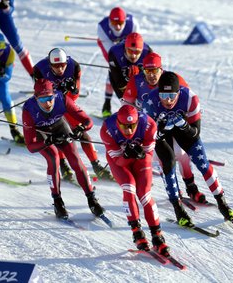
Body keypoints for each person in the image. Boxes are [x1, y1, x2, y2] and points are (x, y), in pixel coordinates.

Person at [142, 72, 233, 227]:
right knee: (168, 162)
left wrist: (184, 125)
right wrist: (161, 130)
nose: (168, 100)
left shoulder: (190, 98)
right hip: (162, 136)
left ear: (179, 92)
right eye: (163, 95)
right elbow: (150, 136)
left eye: (172, 95)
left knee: (203, 164)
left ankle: (222, 203)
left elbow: (195, 133)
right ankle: (178, 210)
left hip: (184, 131)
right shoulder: (149, 101)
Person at [123, 52, 205, 204]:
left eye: (155, 71)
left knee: (182, 156)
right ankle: (174, 190)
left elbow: (187, 99)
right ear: (143, 70)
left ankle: (191, 187)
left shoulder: (173, 78)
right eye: (148, 71)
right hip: (154, 126)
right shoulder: (136, 81)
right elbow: (126, 107)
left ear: (161, 69)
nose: (152, 75)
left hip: (174, 123)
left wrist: (190, 119)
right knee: (165, 159)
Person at [22, 78, 105, 219]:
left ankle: (92, 199)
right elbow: (31, 146)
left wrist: (81, 129)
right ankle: (58, 202)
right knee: (53, 157)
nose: (47, 103)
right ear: (36, 98)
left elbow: (87, 121)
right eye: (42, 100)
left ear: (54, 94)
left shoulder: (62, 99)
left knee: (75, 160)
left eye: (49, 98)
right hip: (41, 132)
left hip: (59, 126)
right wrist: (49, 141)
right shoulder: (28, 109)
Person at [32, 48, 113, 180]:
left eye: (62, 65)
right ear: (49, 64)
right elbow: (41, 93)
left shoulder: (73, 66)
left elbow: (74, 97)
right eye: (56, 66)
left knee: (82, 133)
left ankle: (96, 164)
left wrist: (71, 90)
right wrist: (58, 90)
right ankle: (64, 166)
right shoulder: (39, 70)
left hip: (66, 101)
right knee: (59, 135)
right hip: (49, 104)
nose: (60, 69)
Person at [100, 105, 170, 256]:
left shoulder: (149, 124)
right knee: (129, 187)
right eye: (125, 127)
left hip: (140, 160)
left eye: (132, 126)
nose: (129, 131)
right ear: (118, 123)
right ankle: (137, 233)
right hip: (120, 162)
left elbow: (149, 155)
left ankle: (157, 236)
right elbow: (118, 162)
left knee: (144, 194)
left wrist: (141, 154)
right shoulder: (107, 129)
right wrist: (126, 156)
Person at [97, 6, 139, 118]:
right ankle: (107, 104)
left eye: (120, 22)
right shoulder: (102, 27)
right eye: (114, 23)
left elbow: (136, 43)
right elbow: (112, 52)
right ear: (109, 21)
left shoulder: (133, 23)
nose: (118, 26)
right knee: (114, 69)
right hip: (110, 46)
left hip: (128, 46)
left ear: (125, 20)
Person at [103, 32, 150, 118]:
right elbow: (118, 82)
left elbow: (151, 78)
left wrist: (140, 73)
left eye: (137, 52)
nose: (133, 55)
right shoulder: (114, 52)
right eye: (130, 51)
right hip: (119, 76)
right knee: (127, 102)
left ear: (142, 50)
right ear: (125, 48)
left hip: (138, 75)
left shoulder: (148, 53)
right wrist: (126, 77)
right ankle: (107, 103)